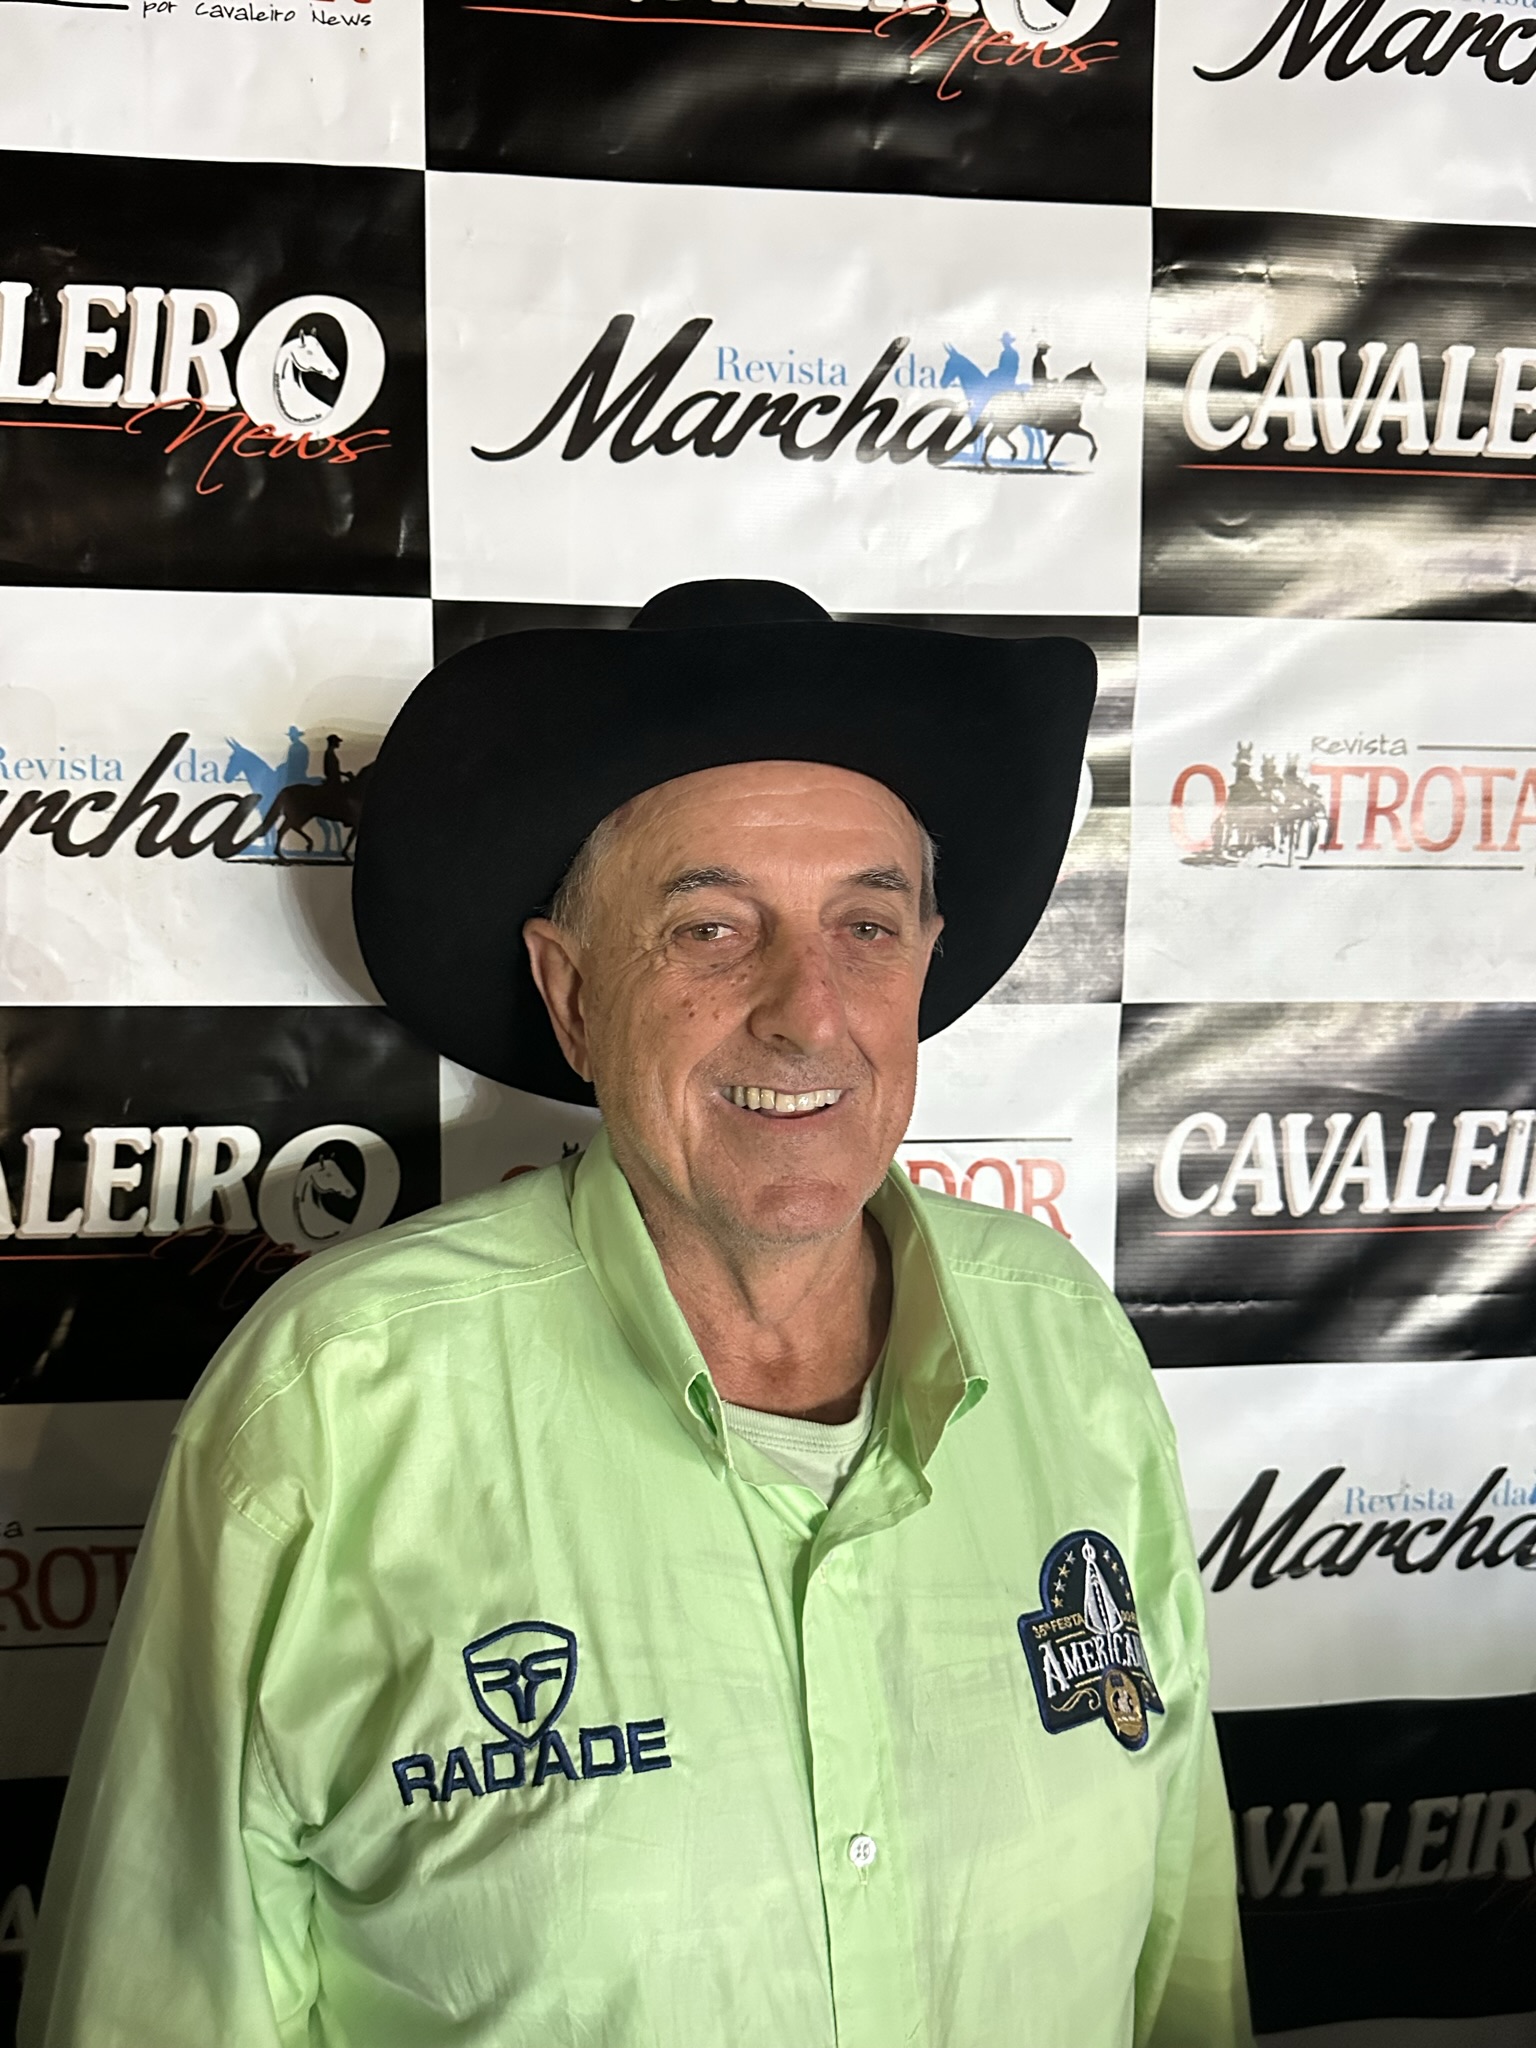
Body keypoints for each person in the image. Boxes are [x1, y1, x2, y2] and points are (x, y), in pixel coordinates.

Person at [20, 580, 1252, 2048]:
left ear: (926, 960)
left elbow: (1185, 1966)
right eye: (712, 929)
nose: (809, 1012)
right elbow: (160, 2005)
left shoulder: (1066, 1343)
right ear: (572, 994)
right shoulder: (337, 1405)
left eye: (866, 926)